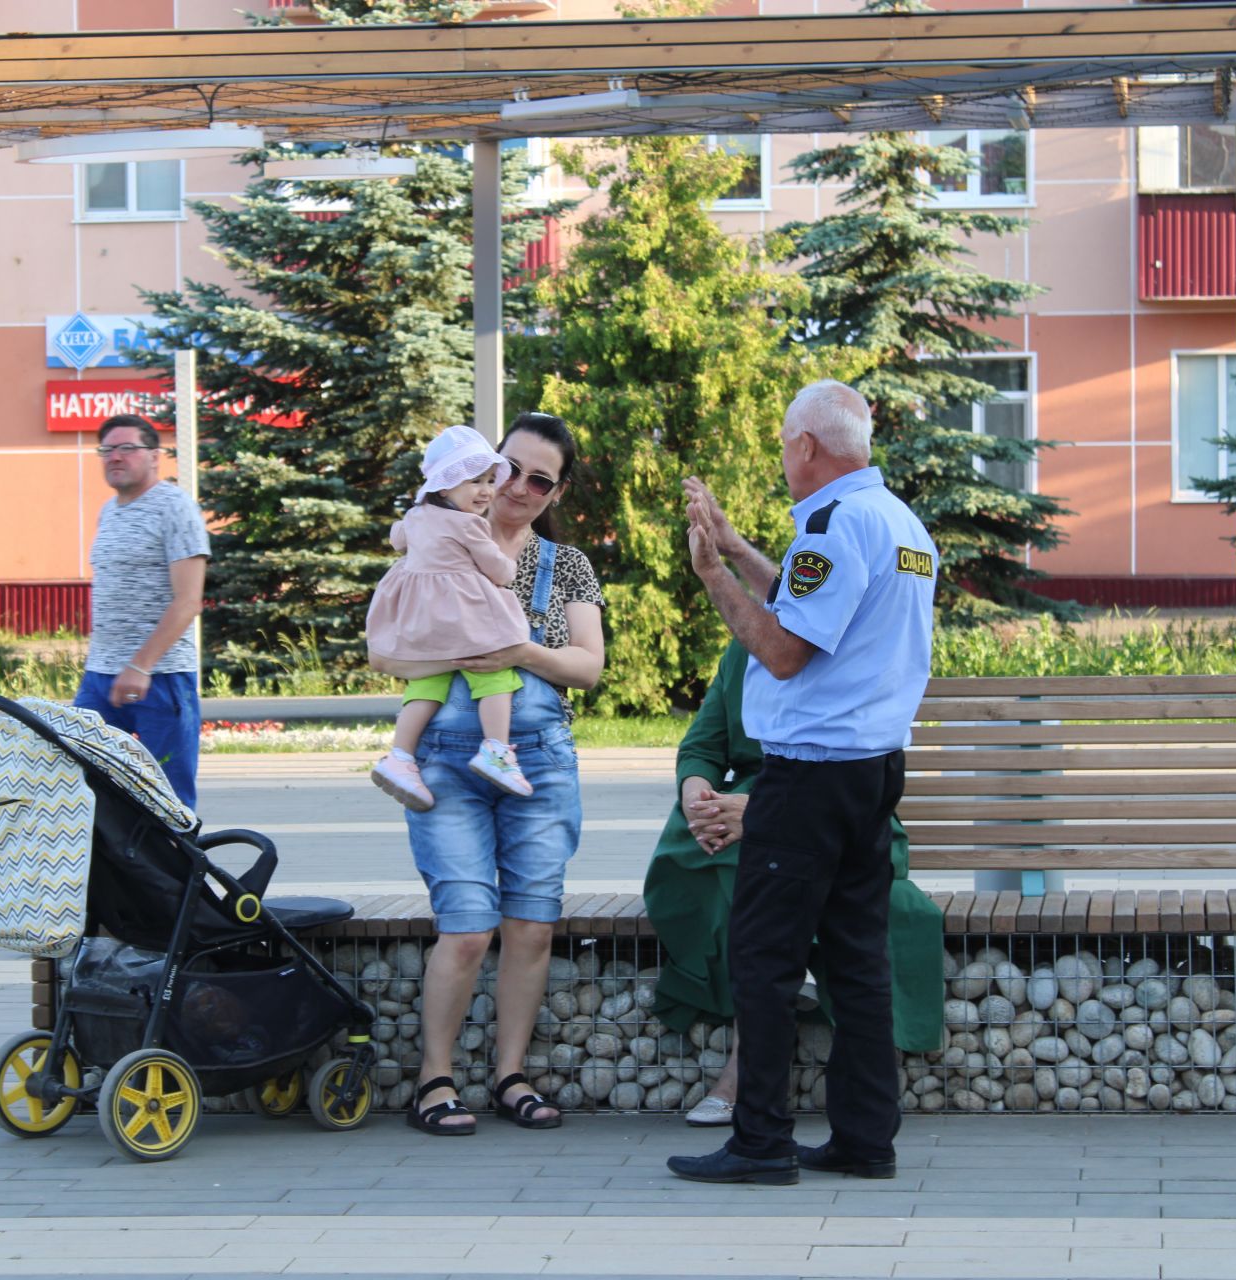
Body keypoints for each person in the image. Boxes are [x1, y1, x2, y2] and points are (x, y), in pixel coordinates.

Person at [667, 380, 936, 1186]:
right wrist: (741, 544)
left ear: (807, 446)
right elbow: (815, 595)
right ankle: (864, 1137)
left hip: (812, 776)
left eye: (786, 442)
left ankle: (761, 1141)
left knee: (764, 956)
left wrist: (714, 573)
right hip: (872, 772)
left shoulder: (834, 520)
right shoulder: (896, 520)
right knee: (856, 956)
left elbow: (785, 649)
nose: (784, 456)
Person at [368, 412, 605, 1136]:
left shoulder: (564, 566)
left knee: (531, 926)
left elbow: (588, 667)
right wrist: (454, 654)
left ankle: (510, 1076)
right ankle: (434, 1081)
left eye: (543, 480)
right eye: (512, 469)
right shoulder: (430, 540)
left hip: (537, 761)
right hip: (444, 762)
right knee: (467, 927)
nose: (521, 488)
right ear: (484, 465)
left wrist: (514, 649)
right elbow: (387, 653)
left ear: (555, 491)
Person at [644, 637, 945, 1129]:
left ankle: (745, 1068)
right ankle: (786, 982)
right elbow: (701, 745)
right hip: (733, 813)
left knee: (769, 867)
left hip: (832, 808)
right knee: (703, 861)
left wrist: (763, 811)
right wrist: (698, 795)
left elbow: (846, 761)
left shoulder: (849, 653)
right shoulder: (743, 651)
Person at [367, 426, 538, 810]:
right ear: (444, 487)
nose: (485, 490)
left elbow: (398, 539)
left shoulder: (416, 516)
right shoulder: (469, 525)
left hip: (421, 620)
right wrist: (509, 563)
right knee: (495, 674)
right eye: (473, 481)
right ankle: (495, 751)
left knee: (428, 683)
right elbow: (497, 569)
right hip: (461, 616)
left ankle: (401, 757)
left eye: (489, 481)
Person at [72, 413, 210, 808]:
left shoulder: (175, 508)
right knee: (84, 783)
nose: (115, 457)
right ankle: (111, 870)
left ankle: (176, 869)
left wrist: (141, 665)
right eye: (107, 450)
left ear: (154, 456)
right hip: (100, 678)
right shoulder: (108, 511)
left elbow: (188, 601)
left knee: (166, 797)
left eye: (127, 448)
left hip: (160, 679)